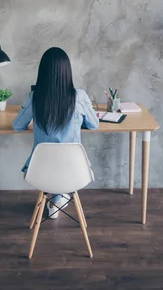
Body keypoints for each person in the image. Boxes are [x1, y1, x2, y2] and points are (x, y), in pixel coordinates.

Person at [13, 47, 99, 219]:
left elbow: (17, 126)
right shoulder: (79, 97)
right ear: (67, 72)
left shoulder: (34, 97)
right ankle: (58, 198)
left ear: (42, 73)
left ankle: (55, 198)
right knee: (63, 161)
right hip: (75, 172)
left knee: (50, 162)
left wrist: (33, 123)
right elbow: (93, 124)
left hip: (40, 173)